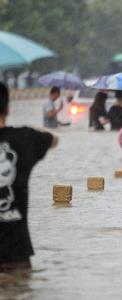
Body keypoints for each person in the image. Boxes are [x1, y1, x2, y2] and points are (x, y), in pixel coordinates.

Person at [0, 82, 58, 271]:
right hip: (17, 255)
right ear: (8, 108)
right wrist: (31, 132)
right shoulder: (25, 138)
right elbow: (54, 139)